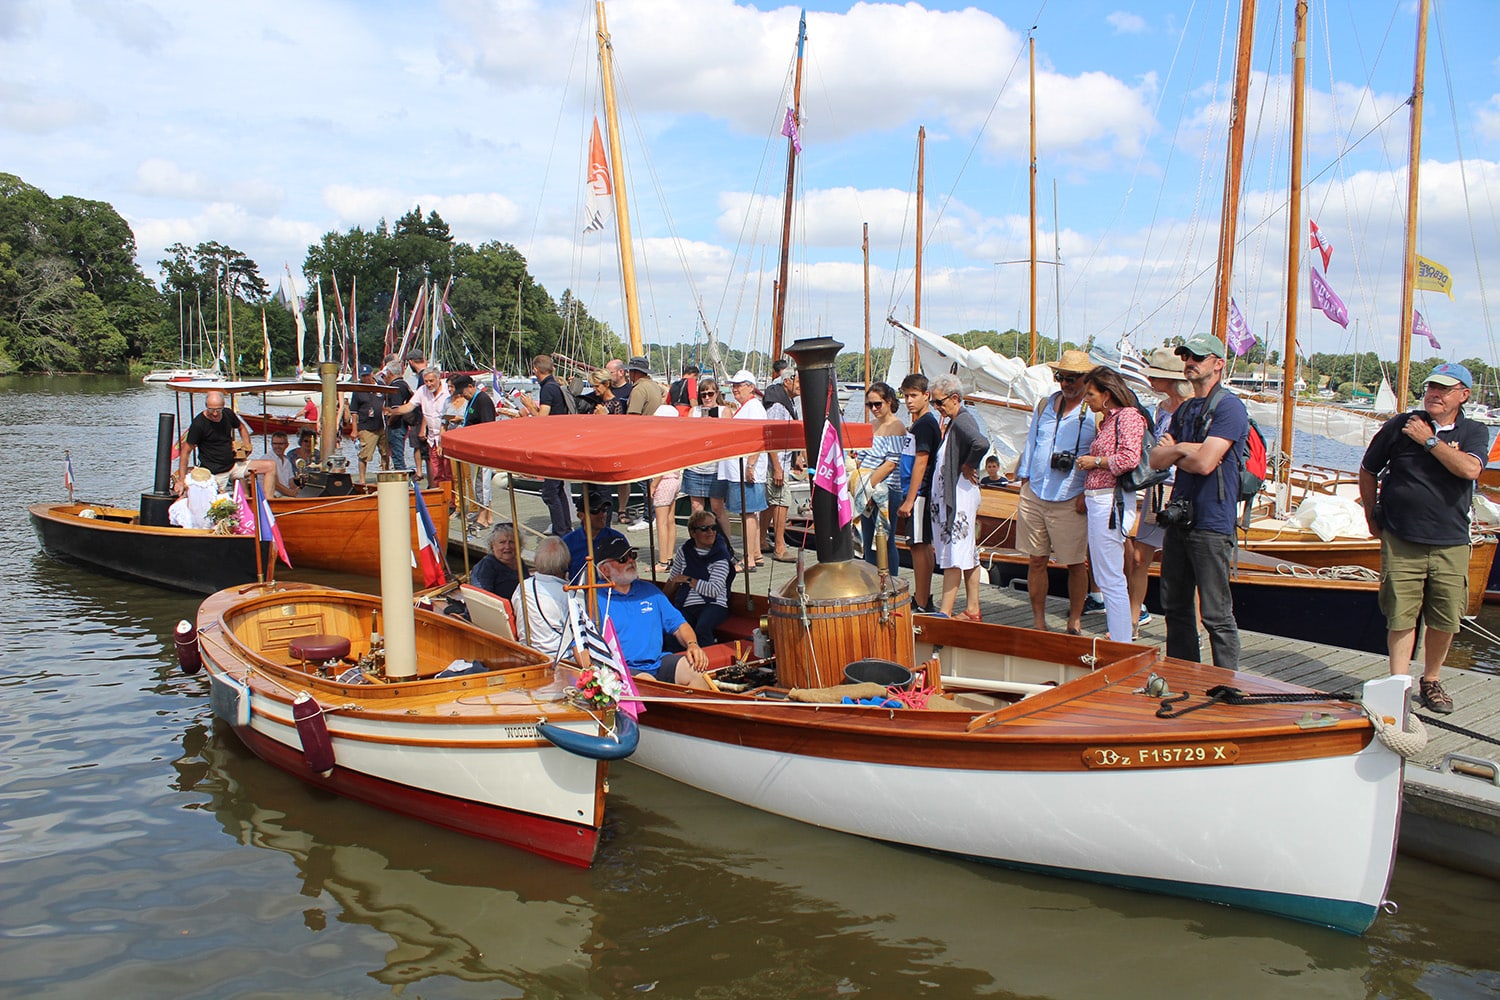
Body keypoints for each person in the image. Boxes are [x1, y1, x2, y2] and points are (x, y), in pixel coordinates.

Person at [1359, 362, 1485, 714]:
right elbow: (1368, 469)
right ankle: (1399, 685)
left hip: (1450, 540)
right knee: (1401, 614)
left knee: (1445, 617)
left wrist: (1428, 441)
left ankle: (1431, 680)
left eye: (1445, 389)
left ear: (1463, 395)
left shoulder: (1474, 431)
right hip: (1402, 537)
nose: (1435, 393)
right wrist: (1372, 515)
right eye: (1431, 386)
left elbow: (1469, 469)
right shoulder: (1401, 425)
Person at [1148, 332, 1248, 668]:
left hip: (1211, 522)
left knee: (1216, 613)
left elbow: (1205, 464)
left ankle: (1226, 682)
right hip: (1180, 519)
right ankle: (1183, 674)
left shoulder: (1230, 407)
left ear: (1218, 364)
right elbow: (1155, 459)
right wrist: (1179, 450)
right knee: (1175, 606)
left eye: (1198, 357)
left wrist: (1173, 452)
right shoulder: (1186, 409)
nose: (1190, 363)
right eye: (1187, 357)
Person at [1014, 350, 1097, 634]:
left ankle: (1074, 620)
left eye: (1073, 378)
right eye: (1061, 377)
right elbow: (1033, 442)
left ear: (1087, 379)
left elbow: (1100, 454)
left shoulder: (1094, 413)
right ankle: (1038, 621)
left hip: (1071, 497)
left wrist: (1087, 493)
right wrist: (1023, 481)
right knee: (1036, 560)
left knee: (1075, 563)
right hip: (1036, 491)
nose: (1066, 383)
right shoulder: (1045, 405)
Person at [1075, 366, 1147, 642]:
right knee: (1107, 574)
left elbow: (1129, 458)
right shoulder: (1108, 420)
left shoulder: (1127, 417)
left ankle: (1121, 640)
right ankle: (1120, 637)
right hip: (1099, 501)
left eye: (1090, 394)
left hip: (1110, 501)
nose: (1086, 399)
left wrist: (1095, 462)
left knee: (1110, 577)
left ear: (1106, 394)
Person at [593, 535, 712, 690]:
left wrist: (692, 644)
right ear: (604, 570)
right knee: (648, 682)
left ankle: (697, 714)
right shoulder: (595, 599)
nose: (630, 561)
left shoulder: (650, 591)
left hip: (657, 662)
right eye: (623, 559)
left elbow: (679, 625)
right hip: (620, 670)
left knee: (697, 672)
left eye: (632, 555)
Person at [1127, 348, 1191, 632]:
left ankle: (1194, 628)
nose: (1150, 379)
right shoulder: (1162, 408)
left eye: (1155, 375)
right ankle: (1132, 619)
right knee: (1141, 556)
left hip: (1184, 487)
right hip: (1159, 486)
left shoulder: (1194, 407)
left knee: (1187, 564)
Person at [929, 373, 989, 621]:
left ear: (955, 398)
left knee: (954, 551)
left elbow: (981, 443)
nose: (936, 407)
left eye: (939, 402)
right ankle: (972, 607)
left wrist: (969, 464)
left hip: (960, 496)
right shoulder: (954, 421)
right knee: (967, 552)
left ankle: (945, 610)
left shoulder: (963, 420)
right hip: (957, 494)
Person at [896, 374, 942, 612]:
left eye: (913, 395)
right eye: (905, 396)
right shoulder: (919, 423)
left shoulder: (925, 424)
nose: (909, 401)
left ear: (926, 396)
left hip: (920, 493)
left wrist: (910, 499)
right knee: (921, 545)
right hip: (917, 492)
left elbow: (921, 463)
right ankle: (923, 596)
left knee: (919, 546)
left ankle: (922, 600)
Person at [715, 370, 769, 572]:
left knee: (747, 513)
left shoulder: (754, 408)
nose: (735, 389)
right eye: (733, 385)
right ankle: (755, 553)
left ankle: (748, 558)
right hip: (740, 469)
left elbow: (758, 438)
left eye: (739, 385)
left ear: (750, 386)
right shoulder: (748, 407)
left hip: (745, 470)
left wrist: (750, 465)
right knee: (749, 513)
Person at [516, 354, 575, 537]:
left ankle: (561, 530)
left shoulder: (548, 389)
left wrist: (528, 406)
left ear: (535, 370)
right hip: (560, 443)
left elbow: (543, 420)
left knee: (550, 492)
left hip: (553, 445)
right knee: (556, 489)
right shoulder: (555, 386)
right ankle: (564, 527)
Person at [662, 510, 736, 645]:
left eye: (713, 528)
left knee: (702, 628)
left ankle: (708, 662)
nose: (711, 532)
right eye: (704, 529)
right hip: (687, 603)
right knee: (674, 631)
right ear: (692, 533)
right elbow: (673, 579)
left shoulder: (721, 556)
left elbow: (714, 590)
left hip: (714, 604)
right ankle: (675, 662)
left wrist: (688, 579)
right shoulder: (683, 552)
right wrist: (661, 602)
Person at [858, 381, 907, 571]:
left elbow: (890, 464)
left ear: (888, 402)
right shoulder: (871, 426)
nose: (874, 409)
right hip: (867, 488)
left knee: (885, 539)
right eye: (870, 405)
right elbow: (861, 457)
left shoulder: (897, 427)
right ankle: (872, 579)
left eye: (877, 404)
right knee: (868, 537)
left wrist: (867, 487)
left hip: (886, 491)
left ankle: (891, 581)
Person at [177, 389, 253, 492]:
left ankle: (271, 503)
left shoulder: (228, 414)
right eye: (211, 410)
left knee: (270, 466)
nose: (215, 413)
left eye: (218, 410)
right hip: (215, 472)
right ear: (206, 406)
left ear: (223, 406)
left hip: (234, 465)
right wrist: (181, 479)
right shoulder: (199, 424)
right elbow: (186, 451)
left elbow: (241, 427)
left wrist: (247, 447)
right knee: (218, 500)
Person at [512, 536, 573, 662]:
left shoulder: (523, 586)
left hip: (528, 653)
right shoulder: (569, 594)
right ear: (566, 562)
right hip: (561, 658)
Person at [764, 366, 801, 562]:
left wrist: (798, 455)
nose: (801, 386)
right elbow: (771, 437)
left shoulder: (788, 403)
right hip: (777, 463)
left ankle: (761, 540)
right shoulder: (778, 406)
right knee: (781, 502)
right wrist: (777, 467)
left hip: (784, 461)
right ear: (787, 381)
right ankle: (779, 547)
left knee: (771, 504)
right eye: (798, 381)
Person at [452, 373, 497, 526]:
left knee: (481, 483)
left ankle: (482, 518)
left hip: (482, 450)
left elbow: (488, 426)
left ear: (471, 387)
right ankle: (487, 515)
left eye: (463, 392)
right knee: (479, 482)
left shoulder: (482, 400)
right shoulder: (474, 400)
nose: (462, 396)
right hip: (474, 450)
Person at [683, 378, 732, 515]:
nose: (707, 398)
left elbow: (728, 437)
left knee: (717, 507)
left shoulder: (724, 411)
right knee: (696, 507)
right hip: (695, 466)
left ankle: (724, 537)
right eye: (703, 394)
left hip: (716, 468)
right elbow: (687, 436)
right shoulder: (694, 411)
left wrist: (713, 425)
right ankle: (697, 535)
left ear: (716, 394)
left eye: (710, 394)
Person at [563, 487, 627, 582]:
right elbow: (559, 575)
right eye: (595, 511)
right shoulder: (567, 542)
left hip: (610, 593)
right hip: (578, 594)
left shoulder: (617, 539)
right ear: (581, 515)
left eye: (604, 510)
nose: (602, 514)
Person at [349, 364, 386, 484]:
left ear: (372, 374)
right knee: (364, 454)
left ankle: (384, 476)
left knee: (385, 453)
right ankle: (362, 479)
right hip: (366, 426)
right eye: (363, 376)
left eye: (367, 375)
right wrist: (354, 430)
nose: (365, 378)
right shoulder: (358, 390)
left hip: (382, 425)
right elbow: (354, 412)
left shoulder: (381, 386)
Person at [470, 522, 526, 599]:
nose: (507, 546)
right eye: (502, 542)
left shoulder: (519, 562)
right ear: (492, 545)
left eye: (512, 542)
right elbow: (482, 598)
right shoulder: (486, 566)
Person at [379, 353, 411, 473]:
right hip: (400, 426)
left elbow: (397, 410)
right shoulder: (403, 385)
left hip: (397, 426)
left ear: (390, 373)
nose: (384, 377)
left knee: (397, 456)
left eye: (385, 375)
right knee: (397, 455)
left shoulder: (396, 387)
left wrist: (389, 422)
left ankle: (403, 481)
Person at [266, 431, 298, 497]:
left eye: (280, 444)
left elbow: (291, 483)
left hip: (285, 495)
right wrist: (294, 494)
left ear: (287, 445)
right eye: (275, 444)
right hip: (273, 496)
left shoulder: (287, 461)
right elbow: (275, 484)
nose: (277, 446)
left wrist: (298, 490)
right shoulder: (267, 459)